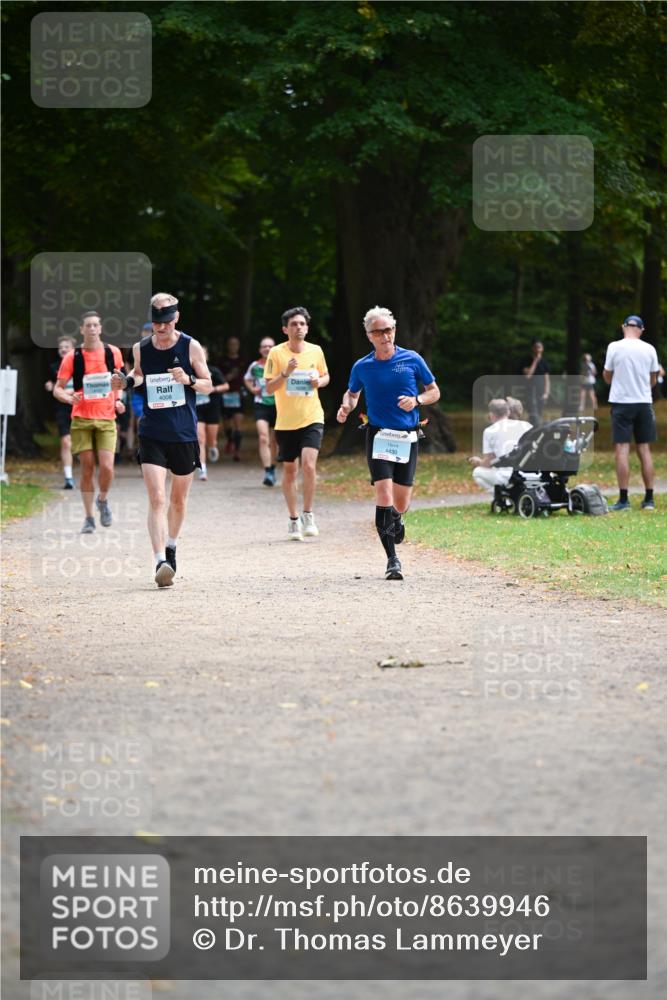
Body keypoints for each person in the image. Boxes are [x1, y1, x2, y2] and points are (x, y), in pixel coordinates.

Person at [111, 293, 212, 586]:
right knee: (157, 497)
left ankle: (171, 546)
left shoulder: (190, 346)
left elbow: (208, 385)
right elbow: (139, 374)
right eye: (157, 322)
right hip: (152, 431)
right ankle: (159, 562)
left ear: (176, 318)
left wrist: (189, 380)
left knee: (178, 501)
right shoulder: (141, 347)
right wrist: (126, 381)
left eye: (166, 322)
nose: (161, 328)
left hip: (183, 433)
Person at [337, 306, 440, 580]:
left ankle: (397, 516)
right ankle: (392, 560)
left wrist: (416, 400)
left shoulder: (412, 359)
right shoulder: (363, 366)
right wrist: (346, 407)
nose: (385, 336)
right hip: (379, 435)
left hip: (407, 435)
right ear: (369, 336)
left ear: (394, 330)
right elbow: (352, 393)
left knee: (401, 501)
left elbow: (434, 392)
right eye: (378, 332)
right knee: (383, 495)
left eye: (389, 330)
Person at [54, 312, 125, 533]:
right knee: (87, 468)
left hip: (106, 418)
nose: (92, 329)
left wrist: (119, 400)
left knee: (107, 467)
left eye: (96, 325)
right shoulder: (72, 357)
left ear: (101, 328)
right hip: (82, 418)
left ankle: (102, 500)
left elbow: (119, 381)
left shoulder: (112, 353)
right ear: (82, 330)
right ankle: (88, 518)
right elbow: (58, 388)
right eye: (88, 326)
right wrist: (68, 397)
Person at [264, 307, 329, 539]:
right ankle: (293, 519)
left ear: (307, 328)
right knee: (290, 470)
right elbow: (269, 388)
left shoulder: (316, 351)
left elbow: (326, 376)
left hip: (312, 416)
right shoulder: (276, 353)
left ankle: (308, 514)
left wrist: (318, 382)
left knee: (309, 465)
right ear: (285, 329)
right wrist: (285, 373)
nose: (299, 327)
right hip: (286, 422)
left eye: (302, 324)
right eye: (294, 324)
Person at [603, 315, 660, 512]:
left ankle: (623, 500)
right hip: (644, 403)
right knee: (644, 449)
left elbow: (607, 376)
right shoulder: (650, 349)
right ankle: (649, 499)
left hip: (622, 403)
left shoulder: (614, 347)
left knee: (622, 449)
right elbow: (653, 380)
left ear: (623, 327)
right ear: (641, 329)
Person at [468, 398, 532, 492]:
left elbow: (489, 462)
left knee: (477, 472)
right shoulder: (527, 426)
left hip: (507, 475)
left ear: (491, 414)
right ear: (508, 412)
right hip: (530, 473)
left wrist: (478, 462)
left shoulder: (490, 431)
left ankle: (502, 496)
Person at [244, 337, 278, 486]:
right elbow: (247, 379)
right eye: (264, 346)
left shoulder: (280, 364)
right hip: (261, 405)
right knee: (263, 437)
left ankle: (274, 467)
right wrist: (253, 389)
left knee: (275, 440)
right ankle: (268, 471)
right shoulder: (255, 366)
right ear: (260, 350)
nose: (267, 348)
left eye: (270, 346)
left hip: (278, 406)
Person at [45, 334, 77, 488]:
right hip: (62, 407)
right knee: (66, 442)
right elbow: (51, 383)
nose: (63, 349)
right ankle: (69, 478)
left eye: (66, 347)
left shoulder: (80, 366)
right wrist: (50, 386)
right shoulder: (53, 367)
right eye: (61, 347)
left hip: (79, 407)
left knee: (81, 445)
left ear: (73, 349)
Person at [196, 347, 229, 481]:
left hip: (212, 409)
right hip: (197, 409)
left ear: (206, 356)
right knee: (200, 439)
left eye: (202, 354)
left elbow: (226, 386)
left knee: (211, 440)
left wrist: (212, 389)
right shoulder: (189, 371)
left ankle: (213, 446)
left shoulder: (213, 371)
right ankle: (202, 469)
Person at [219, 336, 247, 462]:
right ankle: (230, 440)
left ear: (239, 346)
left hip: (238, 395)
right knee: (227, 425)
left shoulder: (243, 361)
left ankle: (237, 451)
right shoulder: (222, 361)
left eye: (235, 344)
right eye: (231, 344)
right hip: (226, 395)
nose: (233, 346)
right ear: (228, 346)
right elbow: (219, 378)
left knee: (238, 424)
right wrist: (229, 376)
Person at [522, 339, 550, 426]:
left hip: (540, 391)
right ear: (533, 348)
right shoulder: (526, 360)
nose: (538, 349)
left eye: (540, 347)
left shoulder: (544, 363)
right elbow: (528, 375)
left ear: (542, 349)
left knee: (539, 412)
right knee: (532, 413)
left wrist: (546, 392)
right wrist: (535, 361)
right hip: (530, 392)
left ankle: (537, 429)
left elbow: (547, 379)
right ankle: (533, 428)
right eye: (536, 347)